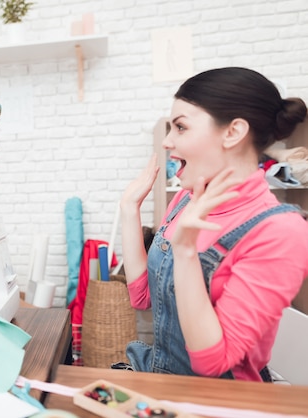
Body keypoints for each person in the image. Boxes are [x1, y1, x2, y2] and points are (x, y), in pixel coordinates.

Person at [119, 67, 308, 381]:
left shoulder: (281, 232)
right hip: (164, 383)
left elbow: (212, 362)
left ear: (233, 132)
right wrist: (129, 209)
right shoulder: (187, 200)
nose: (167, 141)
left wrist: (186, 251)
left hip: (219, 401)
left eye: (180, 127)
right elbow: (142, 298)